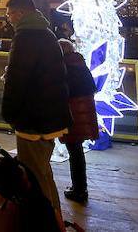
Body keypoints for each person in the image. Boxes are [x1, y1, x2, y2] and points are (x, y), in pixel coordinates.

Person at [2, 0, 70, 230]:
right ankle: (55, 216)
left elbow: (18, 80)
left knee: (33, 173)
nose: (8, 18)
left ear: (20, 13)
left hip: (33, 117)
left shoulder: (25, 37)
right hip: (51, 115)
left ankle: (46, 221)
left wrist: (8, 112)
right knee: (43, 169)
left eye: (10, 14)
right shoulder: (47, 34)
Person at [57, 38, 98, 204]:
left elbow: (62, 91)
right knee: (77, 152)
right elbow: (92, 88)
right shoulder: (81, 64)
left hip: (73, 116)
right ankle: (80, 187)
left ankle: (79, 189)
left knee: (74, 152)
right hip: (85, 115)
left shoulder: (64, 68)